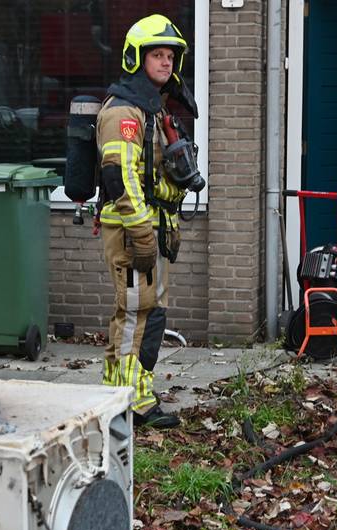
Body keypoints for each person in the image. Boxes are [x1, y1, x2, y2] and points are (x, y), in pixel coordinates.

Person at [95, 13, 198, 429]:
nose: (166, 62)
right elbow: (120, 180)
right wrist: (140, 232)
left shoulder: (150, 108)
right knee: (138, 313)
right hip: (132, 230)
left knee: (144, 313)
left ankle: (122, 391)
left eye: (170, 55)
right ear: (136, 58)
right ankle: (130, 401)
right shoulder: (124, 112)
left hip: (154, 226)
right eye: (157, 55)